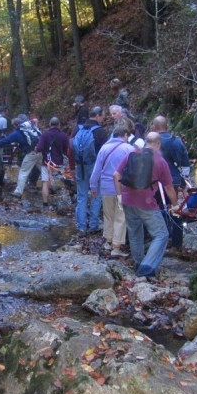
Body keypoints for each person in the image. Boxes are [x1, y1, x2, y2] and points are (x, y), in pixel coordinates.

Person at [113, 132, 178, 279]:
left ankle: (138, 263)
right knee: (162, 234)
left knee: (135, 233)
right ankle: (146, 267)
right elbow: (169, 188)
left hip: (127, 200)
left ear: (146, 141)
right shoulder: (160, 161)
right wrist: (175, 205)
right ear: (158, 144)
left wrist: (119, 196)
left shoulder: (132, 153)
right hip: (146, 202)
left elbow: (116, 175)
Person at [90, 120, 136, 257]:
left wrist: (93, 186)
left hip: (105, 187)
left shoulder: (104, 148)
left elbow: (96, 170)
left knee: (108, 216)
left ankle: (108, 242)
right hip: (122, 188)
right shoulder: (129, 149)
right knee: (120, 217)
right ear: (125, 135)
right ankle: (116, 247)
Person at [153, 115, 190, 252]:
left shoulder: (152, 143)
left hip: (154, 181)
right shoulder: (177, 141)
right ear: (167, 127)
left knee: (157, 209)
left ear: (154, 128)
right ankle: (177, 242)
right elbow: (185, 163)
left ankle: (160, 239)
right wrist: (183, 180)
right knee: (175, 209)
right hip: (173, 180)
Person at [72, 106, 108, 234]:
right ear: (97, 116)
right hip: (95, 167)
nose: (104, 118)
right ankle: (93, 225)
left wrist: (72, 167)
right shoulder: (101, 132)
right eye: (103, 115)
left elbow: (71, 148)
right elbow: (105, 153)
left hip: (80, 166)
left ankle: (81, 226)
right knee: (95, 195)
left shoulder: (78, 129)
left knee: (81, 196)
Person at [0, 116, 41, 198]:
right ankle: (52, 186)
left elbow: (5, 141)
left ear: (15, 125)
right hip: (41, 150)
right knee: (44, 169)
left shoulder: (17, 133)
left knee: (23, 172)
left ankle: (18, 192)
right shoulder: (30, 127)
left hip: (32, 153)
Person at [35, 117, 69, 207]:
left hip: (47, 163)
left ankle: (45, 203)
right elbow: (67, 151)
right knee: (60, 183)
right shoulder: (63, 135)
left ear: (50, 125)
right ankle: (60, 203)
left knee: (45, 182)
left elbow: (39, 148)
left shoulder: (44, 135)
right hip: (59, 164)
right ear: (59, 125)